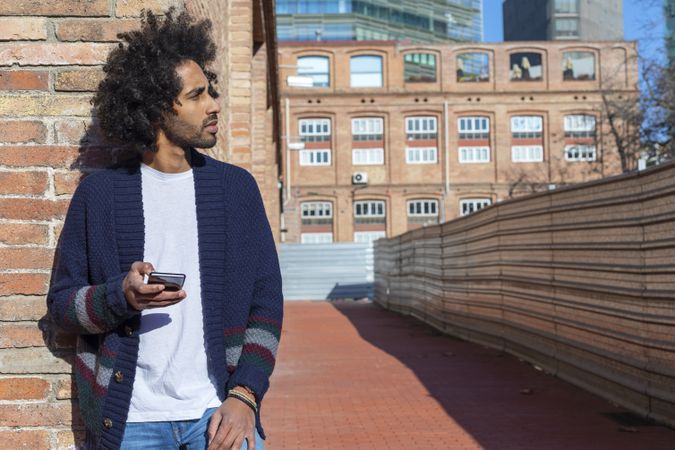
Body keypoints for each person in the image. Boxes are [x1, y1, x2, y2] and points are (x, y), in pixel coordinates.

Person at [47, 8, 283, 450]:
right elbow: (62, 305)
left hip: (217, 412)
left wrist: (245, 395)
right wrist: (121, 296)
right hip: (131, 420)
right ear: (156, 108)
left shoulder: (236, 190)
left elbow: (266, 306)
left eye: (209, 91)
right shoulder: (99, 195)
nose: (213, 104)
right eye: (196, 96)